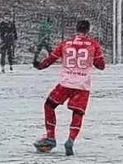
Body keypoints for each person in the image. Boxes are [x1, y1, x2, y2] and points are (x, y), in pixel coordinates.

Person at [32, 20, 106, 156]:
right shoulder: (93, 44)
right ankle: (70, 140)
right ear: (88, 30)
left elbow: (51, 59)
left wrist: (39, 65)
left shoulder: (66, 43)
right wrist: (93, 58)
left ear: (76, 29)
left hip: (65, 83)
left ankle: (50, 137)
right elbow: (101, 65)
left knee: (49, 105)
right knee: (77, 113)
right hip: (82, 85)